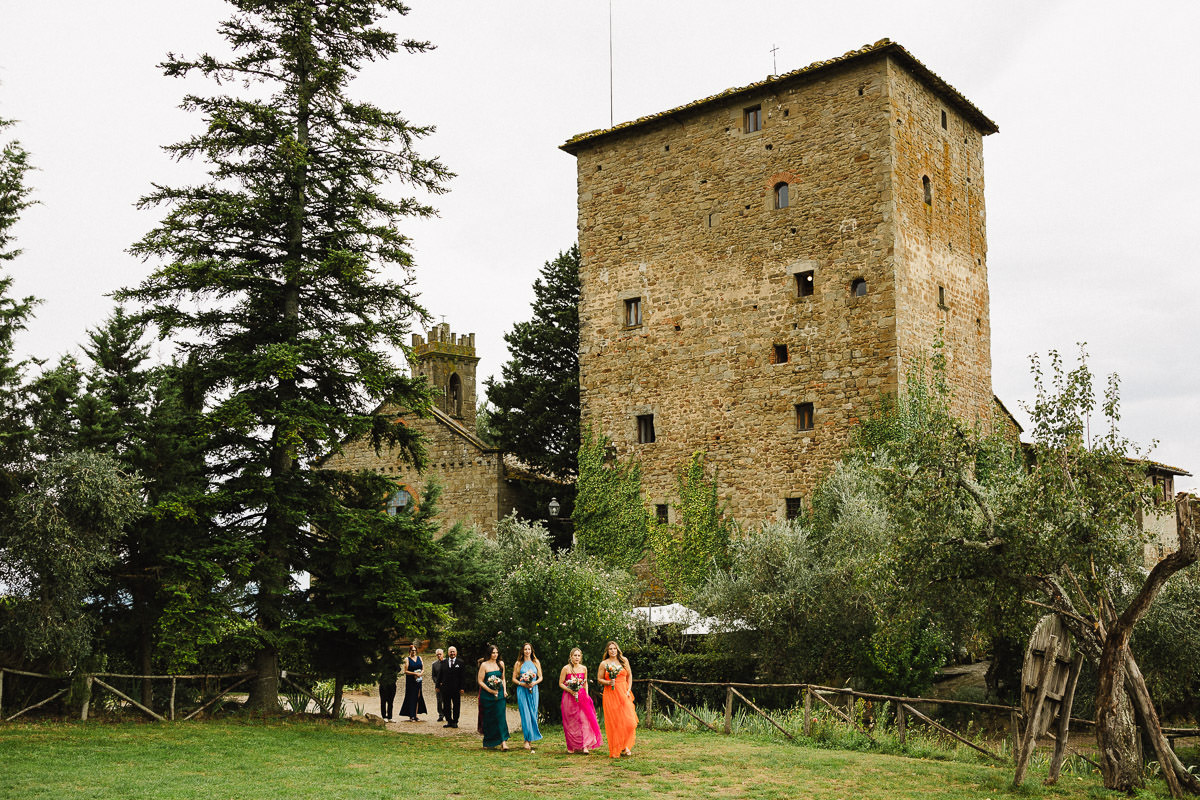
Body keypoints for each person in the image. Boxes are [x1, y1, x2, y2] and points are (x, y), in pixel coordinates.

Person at [558, 647, 601, 755]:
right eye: (575, 655)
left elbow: (585, 682)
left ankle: (585, 745)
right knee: (571, 721)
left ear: (580, 657)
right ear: (571, 657)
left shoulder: (583, 668)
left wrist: (586, 694)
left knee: (585, 719)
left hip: (582, 696)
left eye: (578, 655)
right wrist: (570, 690)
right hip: (569, 697)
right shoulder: (566, 668)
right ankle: (572, 745)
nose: (577, 657)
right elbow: (561, 683)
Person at [598, 640, 637, 757]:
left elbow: (629, 676)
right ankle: (623, 747)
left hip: (624, 693)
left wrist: (628, 690)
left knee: (630, 722)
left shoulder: (624, 660)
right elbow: (599, 679)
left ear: (617, 649)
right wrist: (609, 682)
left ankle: (625, 744)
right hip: (610, 694)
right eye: (610, 649)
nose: (613, 651)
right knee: (615, 722)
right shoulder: (604, 664)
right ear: (607, 651)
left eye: (614, 648)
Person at [477, 644, 510, 750]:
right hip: (487, 695)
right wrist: (490, 690)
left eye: (496, 653)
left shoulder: (501, 664)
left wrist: (504, 690)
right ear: (489, 653)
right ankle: (489, 741)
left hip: (499, 694)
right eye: (493, 653)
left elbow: (503, 678)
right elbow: (480, 681)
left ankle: (503, 742)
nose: (495, 655)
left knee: (501, 717)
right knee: (489, 718)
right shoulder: (484, 665)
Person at [512, 642, 543, 751]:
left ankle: (531, 739)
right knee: (525, 714)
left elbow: (540, 677)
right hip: (522, 690)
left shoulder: (536, 662)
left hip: (533, 690)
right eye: (525, 649)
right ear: (522, 651)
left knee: (533, 713)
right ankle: (526, 740)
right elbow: (514, 678)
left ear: (531, 651)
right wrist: (522, 683)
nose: (527, 651)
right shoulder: (518, 663)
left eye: (529, 649)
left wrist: (534, 683)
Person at [398, 643, 427, 722]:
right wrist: (414, 674)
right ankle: (411, 715)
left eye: (415, 650)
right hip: (411, 681)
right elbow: (405, 671)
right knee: (411, 697)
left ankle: (416, 715)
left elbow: (423, 668)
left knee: (418, 697)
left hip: (418, 681)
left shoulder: (420, 658)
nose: (413, 652)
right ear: (409, 651)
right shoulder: (407, 659)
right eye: (412, 650)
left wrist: (421, 673)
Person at [439, 646, 466, 728]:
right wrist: (437, 686)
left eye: (453, 651)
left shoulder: (460, 662)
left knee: (456, 705)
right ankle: (449, 721)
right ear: (448, 653)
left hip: (456, 689)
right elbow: (440, 675)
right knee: (446, 705)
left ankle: (455, 721)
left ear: (456, 652)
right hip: (445, 689)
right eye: (451, 652)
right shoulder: (443, 662)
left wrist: (462, 688)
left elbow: (463, 677)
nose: (452, 653)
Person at [430, 648, 446, 722]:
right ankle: (440, 715)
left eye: (440, 654)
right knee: (439, 701)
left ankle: (448, 714)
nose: (439, 655)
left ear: (443, 654)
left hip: (447, 685)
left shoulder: (447, 662)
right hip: (438, 686)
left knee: (447, 700)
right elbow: (433, 676)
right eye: (437, 654)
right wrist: (437, 683)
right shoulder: (434, 664)